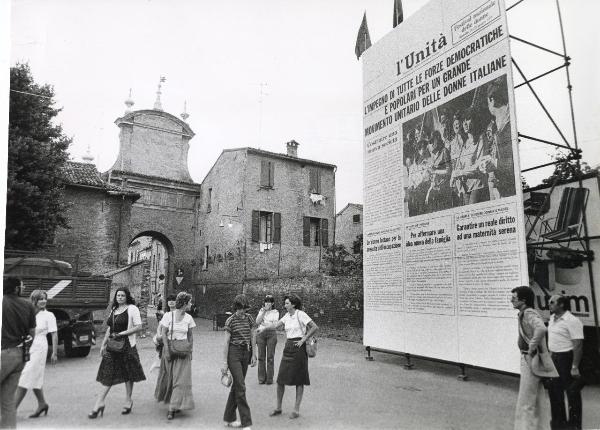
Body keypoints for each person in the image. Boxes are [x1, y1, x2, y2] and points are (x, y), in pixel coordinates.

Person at [89, 287, 146, 419]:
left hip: (126, 345)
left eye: (122, 295)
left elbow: (139, 326)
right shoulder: (114, 310)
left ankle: (128, 400)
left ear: (127, 297)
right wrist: (103, 344)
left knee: (128, 373)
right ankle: (99, 402)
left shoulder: (132, 309)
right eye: (118, 296)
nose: (120, 297)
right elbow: (110, 328)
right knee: (108, 373)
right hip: (112, 346)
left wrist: (122, 334)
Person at [266, 294, 318, 419]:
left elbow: (315, 327)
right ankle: (278, 408)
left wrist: (304, 338)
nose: (285, 305)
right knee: (280, 380)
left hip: (299, 348)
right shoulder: (286, 316)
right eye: (285, 303)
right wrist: (262, 328)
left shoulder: (301, 314)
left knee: (299, 380)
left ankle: (296, 410)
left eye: (287, 303)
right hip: (288, 347)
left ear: (293, 305)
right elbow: (275, 326)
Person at [511, 285, 551, 430]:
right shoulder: (526, 313)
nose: (511, 301)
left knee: (525, 400)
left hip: (530, 359)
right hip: (534, 359)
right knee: (538, 398)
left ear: (523, 300)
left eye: (514, 298)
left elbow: (541, 328)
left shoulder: (528, 313)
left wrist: (531, 347)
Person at [14, 290, 58, 419]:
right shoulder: (28, 314)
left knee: (25, 376)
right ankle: (42, 404)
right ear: (34, 300)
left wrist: (54, 353)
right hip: (27, 346)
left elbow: (54, 334)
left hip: (40, 347)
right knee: (34, 377)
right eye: (40, 299)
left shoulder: (49, 315)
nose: (43, 301)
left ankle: (11, 410)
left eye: (45, 299)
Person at [1, 277, 36, 429]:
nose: (23, 287)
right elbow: (32, 333)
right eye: (22, 285)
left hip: (3, 353)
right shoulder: (28, 305)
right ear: (16, 288)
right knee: (8, 402)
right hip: (19, 355)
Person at [155, 292, 196, 420]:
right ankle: (175, 403)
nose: (191, 304)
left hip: (183, 352)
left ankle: (172, 408)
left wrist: (190, 350)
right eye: (189, 302)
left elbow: (190, 336)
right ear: (184, 303)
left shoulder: (189, 318)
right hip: (171, 350)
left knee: (181, 380)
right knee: (170, 379)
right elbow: (164, 333)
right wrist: (166, 351)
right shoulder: (168, 316)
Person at [547, 294, 584, 430]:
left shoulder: (571, 320)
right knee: (555, 393)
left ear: (561, 304)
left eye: (552, 302)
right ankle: (558, 425)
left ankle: (574, 426)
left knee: (572, 393)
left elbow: (578, 344)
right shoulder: (552, 318)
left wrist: (574, 366)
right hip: (554, 358)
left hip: (566, 358)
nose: (549, 304)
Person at [220, 294, 257, 430]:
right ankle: (246, 422)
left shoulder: (249, 318)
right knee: (241, 386)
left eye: (244, 308)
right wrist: (224, 363)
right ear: (236, 307)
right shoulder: (230, 321)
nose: (242, 311)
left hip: (246, 353)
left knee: (236, 386)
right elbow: (226, 342)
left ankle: (229, 418)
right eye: (240, 308)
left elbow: (253, 336)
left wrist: (254, 354)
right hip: (233, 354)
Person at [481, 76, 515, 198]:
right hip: (498, 186)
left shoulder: (510, 124)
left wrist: (495, 163)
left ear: (492, 100)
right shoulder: (496, 127)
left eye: (487, 102)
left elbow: (513, 163)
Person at [255, 295, 280, 384]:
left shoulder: (275, 312)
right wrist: (264, 312)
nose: (267, 303)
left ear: (272, 303)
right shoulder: (262, 311)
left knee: (270, 357)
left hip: (271, 335)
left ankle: (269, 379)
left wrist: (264, 325)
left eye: (269, 302)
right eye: (266, 301)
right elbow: (257, 322)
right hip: (260, 334)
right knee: (261, 357)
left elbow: (274, 325)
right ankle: (261, 378)